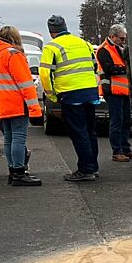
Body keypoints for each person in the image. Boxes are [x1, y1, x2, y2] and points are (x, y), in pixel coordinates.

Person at [41, 15, 101, 182]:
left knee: (78, 132)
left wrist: (51, 94)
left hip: (70, 93)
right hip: (90, 92)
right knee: (90, 131)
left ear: (51, 32)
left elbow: (45, 74)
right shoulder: (84, 43)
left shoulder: (51, 47)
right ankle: (93, 166)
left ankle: (86, 169)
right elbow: (94, 65)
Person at [0, 26, 42, 186]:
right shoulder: (13, 54)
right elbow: (26, 84)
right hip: (15, 102)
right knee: (19, 138)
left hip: (0, 103)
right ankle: (19, 172)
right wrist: (35, 109)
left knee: (9, 138)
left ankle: (12, 170)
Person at [97, 24, 132, 162]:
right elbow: (109, 69)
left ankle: (126, 149)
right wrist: (124, 68)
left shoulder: (119, 48)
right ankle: (117, 151)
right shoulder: (104, 50)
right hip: (113, 91)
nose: (123, 41)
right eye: (121, 38)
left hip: (123, 90)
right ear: (113, 36)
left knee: (126, 120)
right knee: (116, 121)